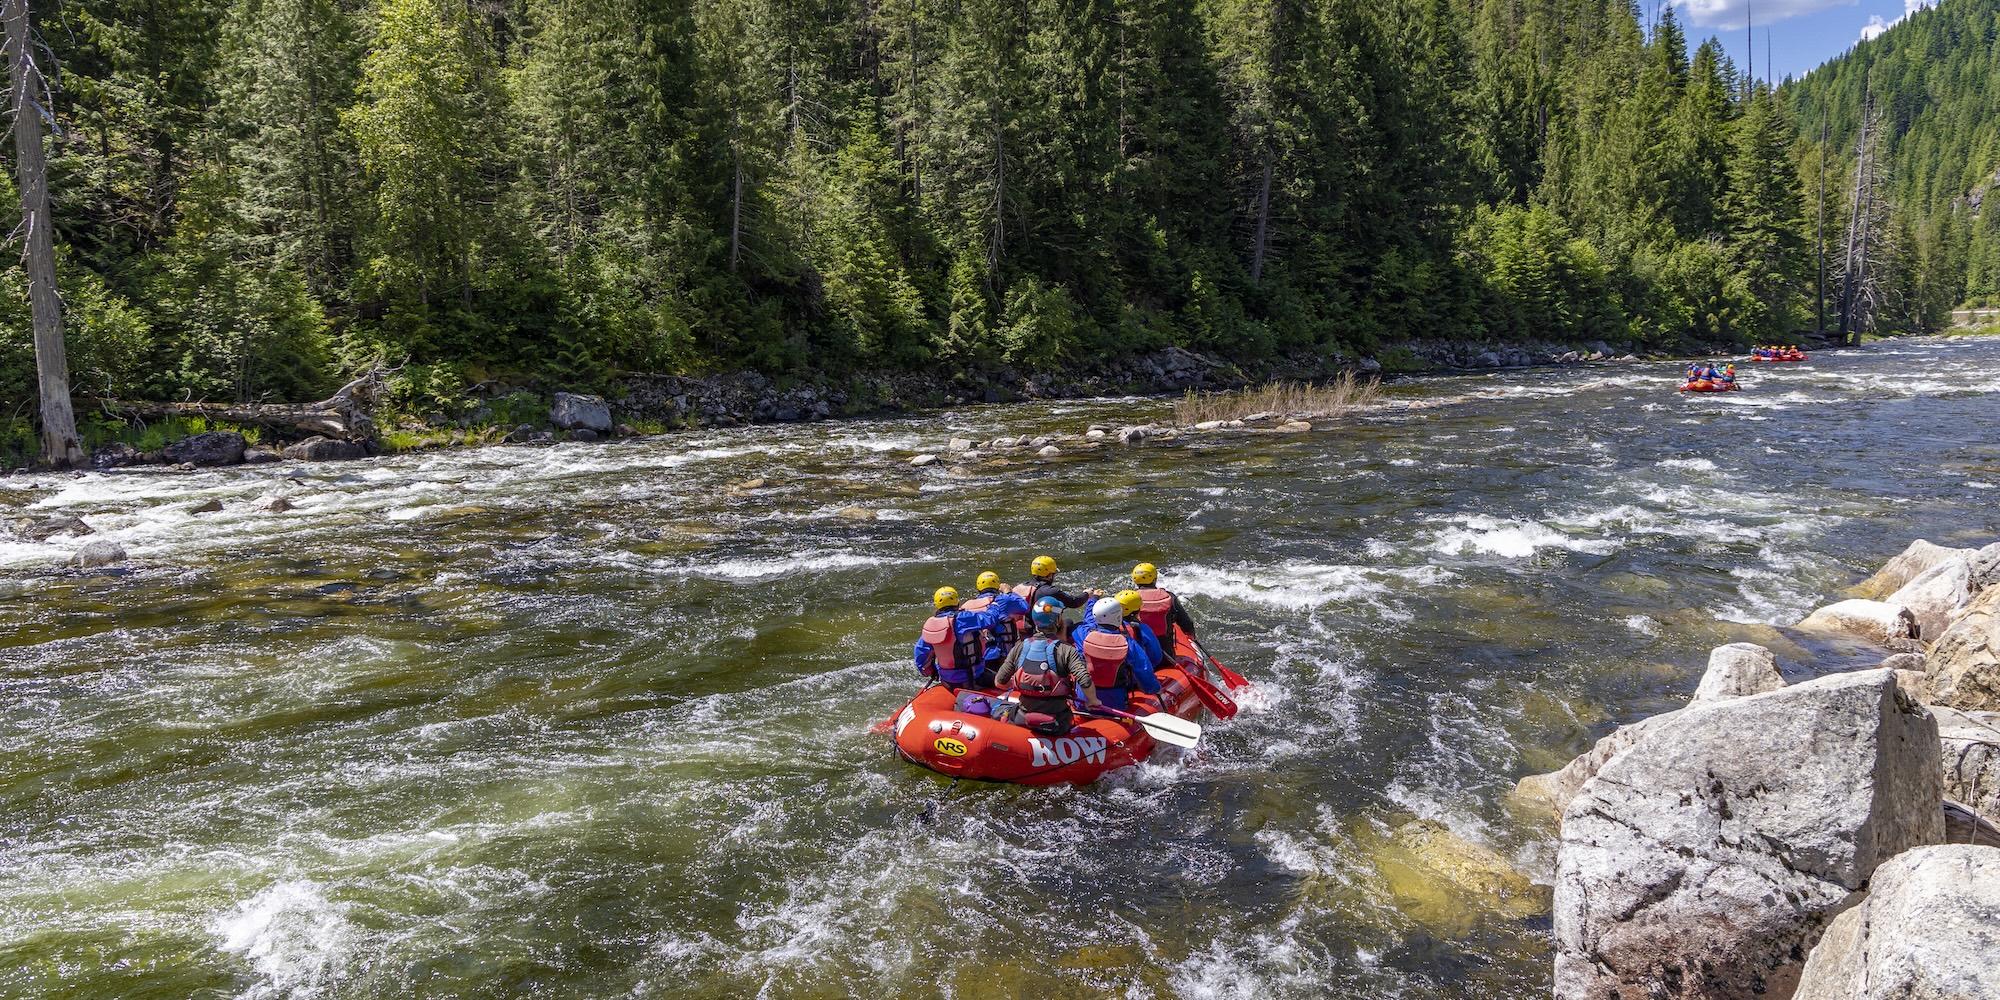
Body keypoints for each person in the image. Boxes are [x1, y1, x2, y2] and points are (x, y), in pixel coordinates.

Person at [993, 597, 1101, 735]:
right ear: (1057, 620)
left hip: (1023, 717)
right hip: (1057, 722)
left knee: (1004, 710)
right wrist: (1092, 700)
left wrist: (1019, 685)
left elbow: (999, 682)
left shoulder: (1019, 647)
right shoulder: (1066, 650)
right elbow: (1084, 680)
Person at [913, 585, 1024, 690]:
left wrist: (933, 672)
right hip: (973, 680)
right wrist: (995, 606)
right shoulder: (963, 618)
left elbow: (921, 656)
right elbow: (990, 619)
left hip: (947, 682)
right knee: (1008, 683)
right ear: (956, 601)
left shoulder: (931, 626)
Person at [1071, 597, 1161, 712]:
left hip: (1083, 703)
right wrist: (1154, 689)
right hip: (1115, 706)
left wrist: (1092, 600)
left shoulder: (1081, 634)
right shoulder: (1128, 644)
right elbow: (1144, 669)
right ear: (1119, 617)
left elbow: (1087, 623)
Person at [960, 570, 1030, 665]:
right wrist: (1009, 593)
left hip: (978, 659)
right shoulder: (1004, 599)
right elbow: (1025, 607)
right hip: (1004, 657)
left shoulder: (967, 606)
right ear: (997, 587)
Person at [1130, 562, 1200, 657]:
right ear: (1155, 579)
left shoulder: (1128, 600)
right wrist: (1192, 638)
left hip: (1139, 658)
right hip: (1165, 658)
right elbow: (1186, 624)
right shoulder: (1169, 597)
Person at [1009, 555, 1099, 612]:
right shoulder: (1051, 591)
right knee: (1069, 622)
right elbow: (1074, 602)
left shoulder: (1019, 587)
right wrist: (1087, 594)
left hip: (1022, 633)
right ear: (1049, 575)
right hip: (1038, 631)